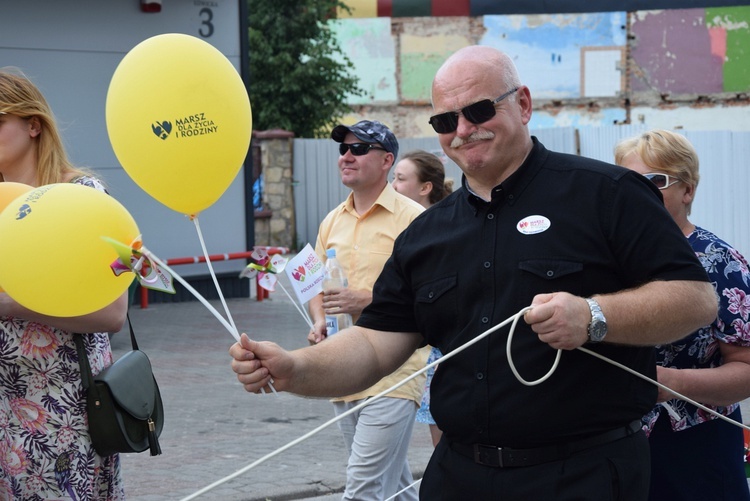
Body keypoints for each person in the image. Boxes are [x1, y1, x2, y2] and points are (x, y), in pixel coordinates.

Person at [230, 46, 717, 500]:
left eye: (479, 110)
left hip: (583, 474)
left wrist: (595, 315)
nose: (463, 129)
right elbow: (376, 343)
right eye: (446, 119)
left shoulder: (607, 194)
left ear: (522, 104)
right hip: (459, 476)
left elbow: (695, 299)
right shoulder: (427, 234)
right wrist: (295, 368)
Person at [0, 68, 128, 499]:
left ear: (33, 125)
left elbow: (113, 313)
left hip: (64, 411)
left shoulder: (85, 197)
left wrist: (15, 305)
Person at [615, 129, 750, 501]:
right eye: (629, 180)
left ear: (688, 190)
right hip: (611, 442)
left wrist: (671, 382)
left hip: (694, 447)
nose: (640, 191)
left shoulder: (720, 263)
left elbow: (747, 368)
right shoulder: (604, 258)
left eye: (656, 180)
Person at [306, 120, 428, 501]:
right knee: (396, 484)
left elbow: (430, 295)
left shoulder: (413, 218)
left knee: (362, 487)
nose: (346, 156)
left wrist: (368, 300)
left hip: (396, 372)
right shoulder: (331, 220)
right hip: (343, 366)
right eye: (343, 149)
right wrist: (318, 321)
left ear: (387, 160)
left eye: (359, 149)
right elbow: (312, 282)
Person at [392, 149, 453, 448]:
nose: (393, 186)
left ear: (425, 187)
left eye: (401, 179)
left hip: (447, 352)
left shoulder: (446, 229)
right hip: (430, 358)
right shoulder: (403, 228)